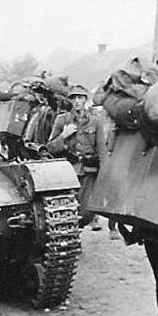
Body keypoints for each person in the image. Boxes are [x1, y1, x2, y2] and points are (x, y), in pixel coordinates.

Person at [47, 85, 105, 230]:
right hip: (68, 171)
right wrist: (64, 135)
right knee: (66, 211)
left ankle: (76, 229)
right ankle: (67, 238)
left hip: (88, 170)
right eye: (74, 98)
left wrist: (103, 173)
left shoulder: (95, 121)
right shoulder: (62, 120)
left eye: (80, 97)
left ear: (85, 100)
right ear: (70, 100)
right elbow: (50, 148)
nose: (77, 101)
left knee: (85, 213)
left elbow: (102, 149)